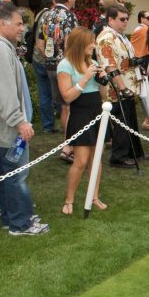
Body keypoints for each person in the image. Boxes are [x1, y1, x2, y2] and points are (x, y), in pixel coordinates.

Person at [0, 2, 48, 236]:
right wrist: (19, 121)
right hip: (7, 128)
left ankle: (11, 217)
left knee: (4, 174)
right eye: (19, 23)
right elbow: (2, 90)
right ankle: (20, 223)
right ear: (2, 23)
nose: (22, 28)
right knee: (16, 174)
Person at [57, 27, 109, 213]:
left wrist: (104, 79)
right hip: (80, 114)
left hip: (97, 111)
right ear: (81, 43)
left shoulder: (93, 62)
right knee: (80, 161)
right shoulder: (65, 65)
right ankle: (69, 200)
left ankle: (94, 196)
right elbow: (67, 97)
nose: (94, 45)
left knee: (97, 159)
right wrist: (85, 79)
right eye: (91, 41)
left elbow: (102, 94)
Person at [96, 5, 148, 168]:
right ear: (111, 19)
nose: (125, 22)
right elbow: (110, 65)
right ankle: (119, 156)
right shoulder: (106, 37)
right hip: (116, 89)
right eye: (122, 19)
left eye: (127, 19)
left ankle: (134, 152)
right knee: (122, 122)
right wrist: (122, 88)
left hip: (128, 85)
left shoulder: (119, 35)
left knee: (130, 119)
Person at [42, 0, 81, 164]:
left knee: (63, 107)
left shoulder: (46, 15)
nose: (75, 1)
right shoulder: (69, 16)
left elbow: (41, 41)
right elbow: (70, 43)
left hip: (50, 64)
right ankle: (70, 146)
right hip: (65, 65)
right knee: (70, 106)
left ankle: (67, 143)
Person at [32, 0, 58, 133]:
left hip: (37, 58)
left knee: (44, 93)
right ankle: (51, 122)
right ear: (55, 0)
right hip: (46, 59)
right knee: (54, 92)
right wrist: (49, 57)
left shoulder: (39, 14)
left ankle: (47, 124)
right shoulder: (50, 16)